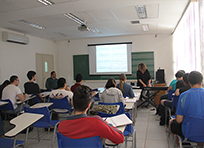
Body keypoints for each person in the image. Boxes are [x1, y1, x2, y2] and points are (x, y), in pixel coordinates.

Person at [58, 85, 124, 145]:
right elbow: (120, 138)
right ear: (89, 105)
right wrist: (108, 125)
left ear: (72, 102)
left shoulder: (61, 126)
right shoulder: (97, 123)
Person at [169, 71, 204, 142]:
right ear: (202, 81)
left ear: (189, 83)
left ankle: (179, 144)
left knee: (172, 122)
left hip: (189, 133)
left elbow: (179, 120)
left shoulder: (184, 96)